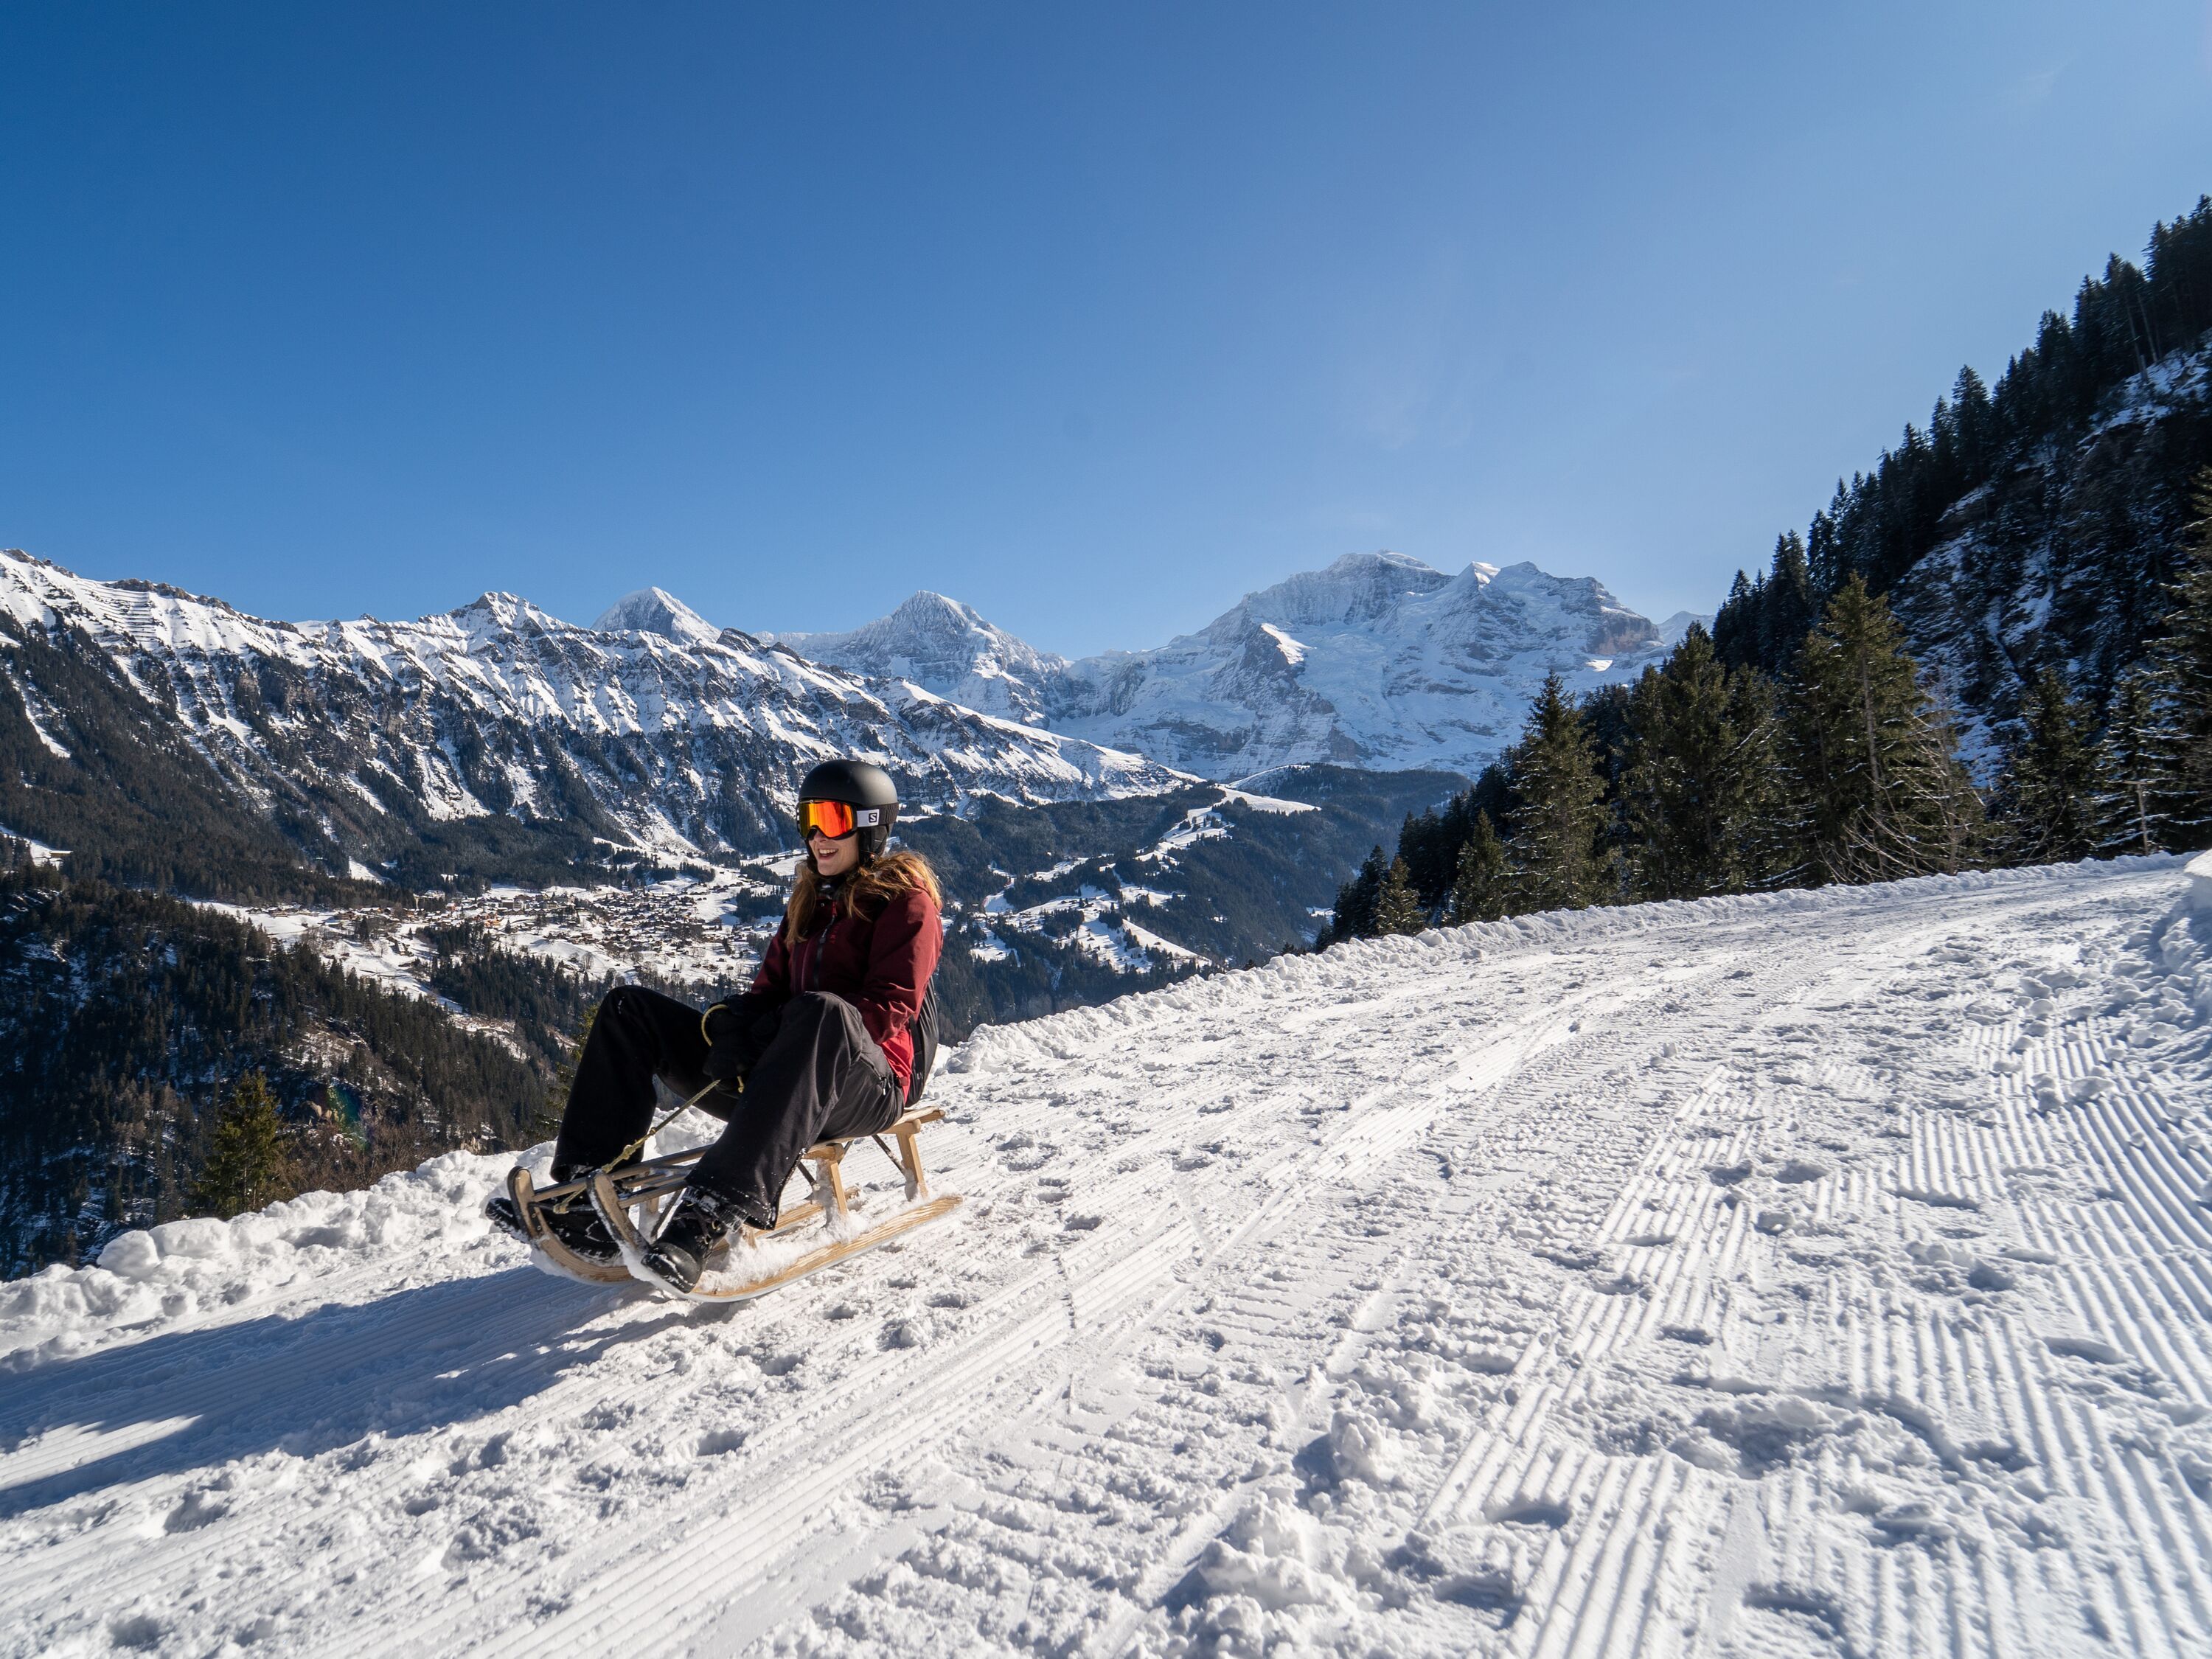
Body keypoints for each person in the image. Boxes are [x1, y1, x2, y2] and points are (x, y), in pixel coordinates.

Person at [487, 758, 942, 1293]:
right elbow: (767, 995)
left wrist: (782, 1029)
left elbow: (889, 1007)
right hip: (783, 1078)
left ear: (869, 827)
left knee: (826, 1012)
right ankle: (584, 1197)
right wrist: (733, 1025)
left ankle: (707, 1216)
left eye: (832, 820)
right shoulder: (809, 903)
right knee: (627, 1010)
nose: (817, 835)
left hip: (866, 1084)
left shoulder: (906, 906)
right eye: (808, 820)